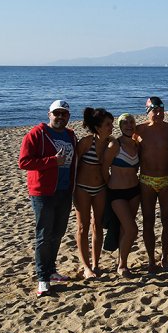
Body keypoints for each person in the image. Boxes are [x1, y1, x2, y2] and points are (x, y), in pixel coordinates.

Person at [19, 99, 78, 296]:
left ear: (68, 116)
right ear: (49, 114)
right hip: (43, 193)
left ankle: (51, 271)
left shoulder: (71, 135)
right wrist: (53, 161)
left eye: (64, 114)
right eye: (57, 113)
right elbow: (24, 162)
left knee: (58, 233)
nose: (60, 117)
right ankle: (42, 278)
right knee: (43, 236)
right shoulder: (36, 134)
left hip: (64, 191)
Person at [135, 96, 168, 272]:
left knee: (167, 220)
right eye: (154, 110)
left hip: (167, 180)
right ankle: (152, 259)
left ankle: (165, 258)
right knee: (148, 220)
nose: (158, 113)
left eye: (161, 110)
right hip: (146, 180)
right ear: (148, 112)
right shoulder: (139, 131)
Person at [74, 107, 114, 279]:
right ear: (98, 127)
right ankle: (86, 267)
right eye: (108, 124)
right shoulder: (86, 142)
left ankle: (96, 264)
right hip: (82, 188)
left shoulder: (110, 144)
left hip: (100, 189)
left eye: (112, 124)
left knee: (97, 225)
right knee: (83, 227)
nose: (111, 127)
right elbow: (74, 164)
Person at [103, 113, 141, 278]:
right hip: (117, 193)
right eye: (125, 123)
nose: (129, 125)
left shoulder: (136, 145)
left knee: (125, 229)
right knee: (132, 229)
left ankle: (121, 261)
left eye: (131, 122)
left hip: (134, 191)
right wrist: (110, 184)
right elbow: (104, 167)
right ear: (119, 126)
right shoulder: (115, 145)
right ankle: (122, 265)